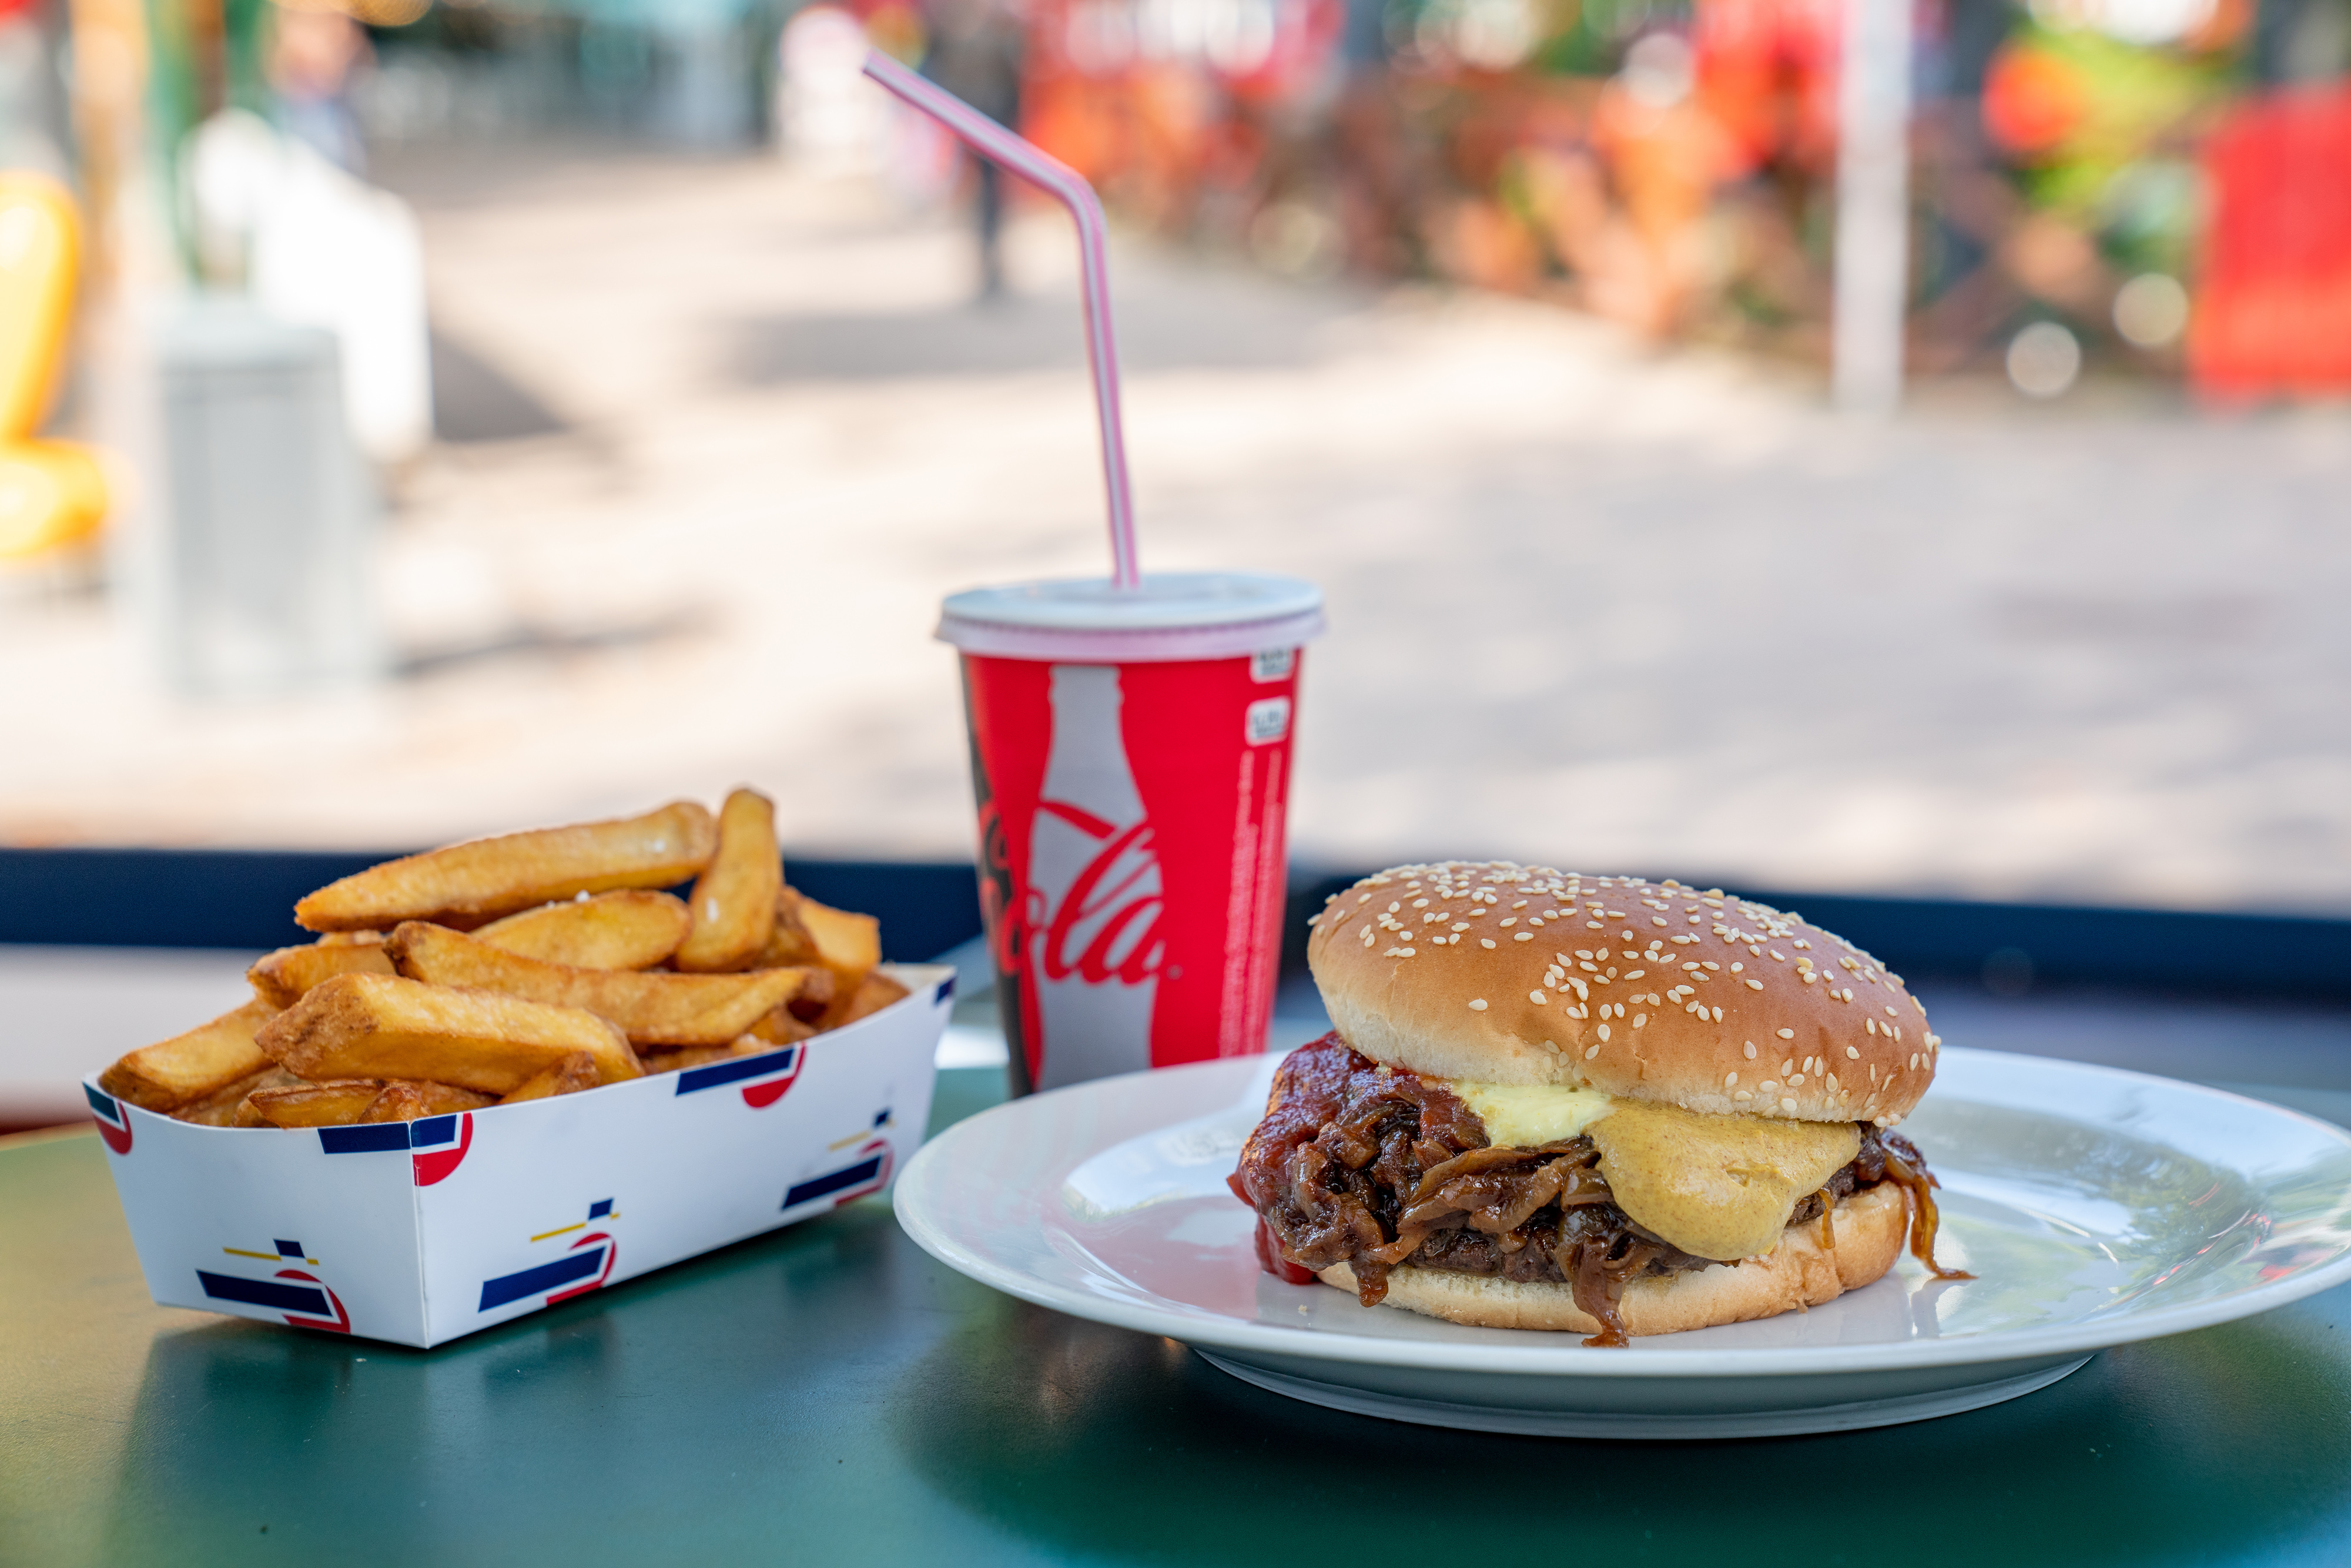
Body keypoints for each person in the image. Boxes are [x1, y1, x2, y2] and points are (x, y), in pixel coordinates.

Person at [922, 0, 1026, 299]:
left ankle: (992, 265)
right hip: (966, 123)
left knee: (992, 197)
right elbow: (938, 70)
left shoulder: (999, 26)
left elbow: (1012, 75)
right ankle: (983, 265)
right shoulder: (950, 25)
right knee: (973, 195)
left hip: (993, 123)